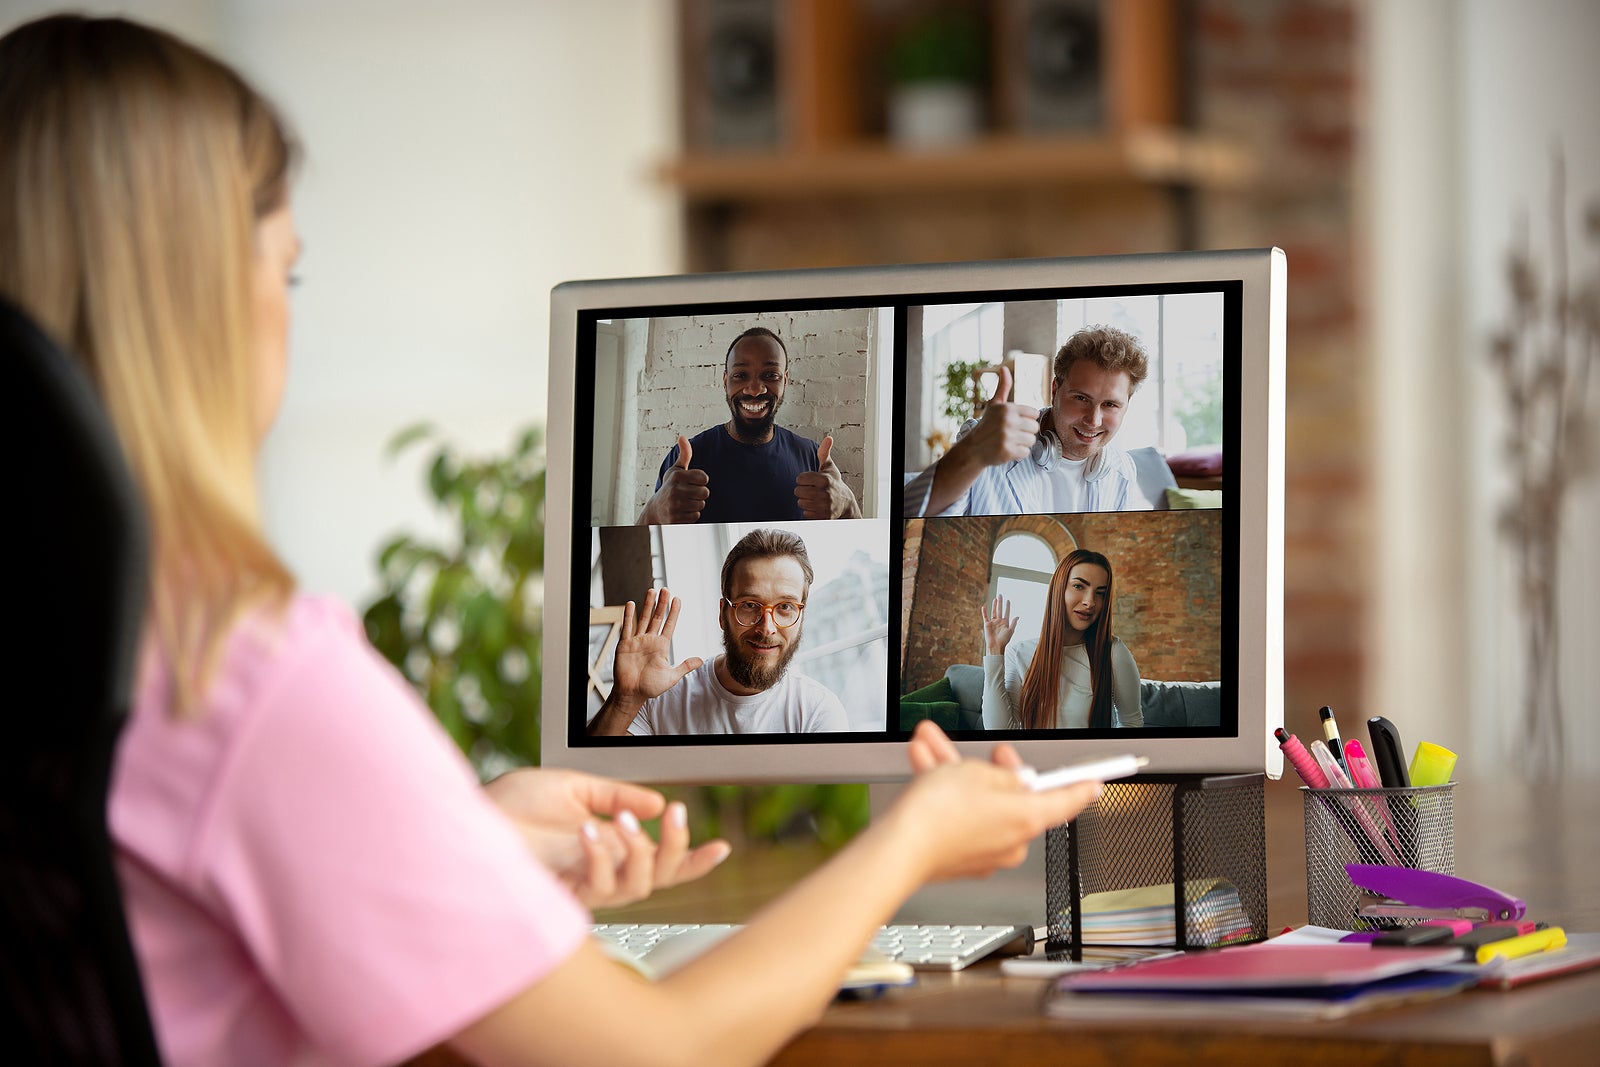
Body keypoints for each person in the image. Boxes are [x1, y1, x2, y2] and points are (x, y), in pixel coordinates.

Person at [0, 15, 1106, 1067]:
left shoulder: (90, 658)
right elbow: (654, 1051)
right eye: (283, 271)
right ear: (188, 308)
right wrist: (910, 845)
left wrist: (447, 842)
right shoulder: (244, 676)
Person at [586, 529, 850, 735]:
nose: (767, 627)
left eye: (785, 607)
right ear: (723, 613)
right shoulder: (659, 697)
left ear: (801, 616)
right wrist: (625, 699)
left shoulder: (819, 712)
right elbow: (589, 775)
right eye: (749, 605)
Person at [905, 326, 1152, 517]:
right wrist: (973, 453)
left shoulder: (1123, 470)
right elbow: (910, 520)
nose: (1093, 420)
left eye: (1110, 405)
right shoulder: (988, 442)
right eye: (1080, 398)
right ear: (1055, 390)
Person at [637, 326, 863, 524]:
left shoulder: (813, 456)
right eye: (741, 375)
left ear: (785, 381)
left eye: (770, 375)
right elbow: (640, 545)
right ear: (725, 381)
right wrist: (654, 511)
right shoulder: (684, 461)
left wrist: (848, 505)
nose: (755, 389)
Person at [980, 549, 1143, 730]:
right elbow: (999, 731)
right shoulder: (1019, 653)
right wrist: (994, 652)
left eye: (1100, 593)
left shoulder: (1113, 652)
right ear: (1059, 589)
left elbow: (1131, 722)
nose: (1090, 602)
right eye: (1079, 586)